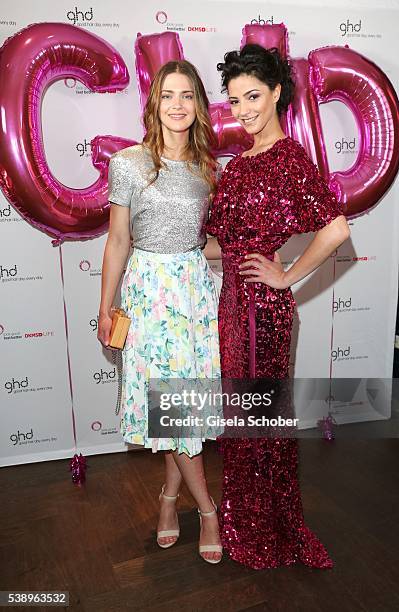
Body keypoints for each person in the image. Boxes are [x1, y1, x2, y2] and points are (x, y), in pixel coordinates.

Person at [204, 44, 350, 570]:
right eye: (235, 99)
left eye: (252, 97)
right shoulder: (238, 164)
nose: (242, 110)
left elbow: (336, 230)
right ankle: (244, 515)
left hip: (263, 309)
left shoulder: (289, 159)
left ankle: (268, 525)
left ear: (277, 94)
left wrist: (285, 276)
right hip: (230, 305)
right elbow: (219, 244)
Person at [98, 60, 222, 564]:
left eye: (187, 95)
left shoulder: (206, 169)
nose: (177, 104)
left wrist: (248, 251)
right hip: (149, 299)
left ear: (198, 106)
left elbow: (201, 242)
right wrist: (106, 308)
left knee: (182, 412)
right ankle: (207, 509)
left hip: (193, 296)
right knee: (172, 411)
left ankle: (169, 500)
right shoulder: (127, 163)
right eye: (168, 95)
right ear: (154, 103)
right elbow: (118, 241)